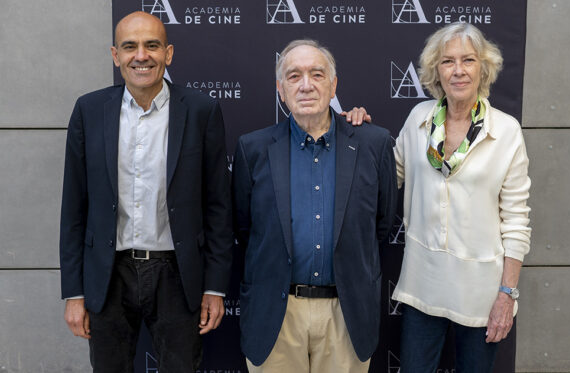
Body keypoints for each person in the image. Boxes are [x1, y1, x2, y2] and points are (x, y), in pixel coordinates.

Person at [60, 11, 232, 372]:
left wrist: (215, 287)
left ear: (168, 53)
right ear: (115, 55)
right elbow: (74, 209)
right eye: (130, 47)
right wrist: (74, 293)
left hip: (177, 275)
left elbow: (218, 207)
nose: (141, 55)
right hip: (109, 275)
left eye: (151, 45)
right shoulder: (89, 111)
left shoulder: (202, 111)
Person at [232, 39, 397, 373]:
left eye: (316, 74)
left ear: (333, 85)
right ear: (281, 90)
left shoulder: (374, 144)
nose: (306, 85)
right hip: (277, 316)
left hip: (346, 314)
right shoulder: (253, 149)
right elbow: (245, 228)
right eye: (294, 76)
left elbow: (382, 222)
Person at [390, 23, 531, 372]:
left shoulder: (506, 131)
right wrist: (350, 129)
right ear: (436, 69)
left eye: (468, 60)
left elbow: (516, 220)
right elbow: (383, 177)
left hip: (482, 294)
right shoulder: (419, 119)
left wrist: (506, 295)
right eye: (448, 61)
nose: (458, 70)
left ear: (483, 67)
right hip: (423, 284)